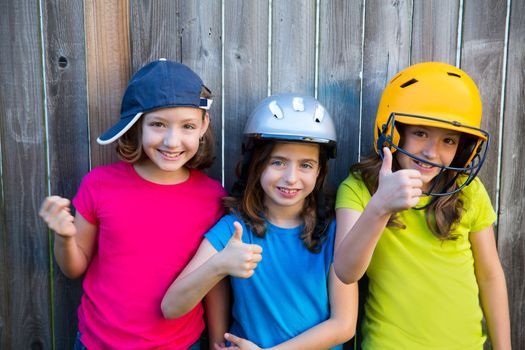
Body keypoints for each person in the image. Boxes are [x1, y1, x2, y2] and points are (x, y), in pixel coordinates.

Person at [39, 59, 227, 350]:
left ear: (203, 125)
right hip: (98, 343)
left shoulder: (213, 197)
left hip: (180, 344)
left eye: (187, 126)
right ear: (136, 125)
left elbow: (212, 278)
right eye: (158, 124)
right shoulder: (99, 185)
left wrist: (217, 340)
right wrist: (65, 238)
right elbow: (73, 268)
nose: (172, 141)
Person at [334, 62, 511, 349]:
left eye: (448, 140)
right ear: (394, 131)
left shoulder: (468, 192)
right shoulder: (360, 188)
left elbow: (490, 275)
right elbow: (345, 271)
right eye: (420, 133)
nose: (432, 152)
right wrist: (380, 207)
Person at [161, 93, 358, 349]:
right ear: (256, 164)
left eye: (306, 165)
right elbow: (171, 307)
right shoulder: (234, 231)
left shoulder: (334, 232)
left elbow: (343, 325)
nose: (291, 177)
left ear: (319, 171)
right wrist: (218, 266)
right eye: (278, 162)